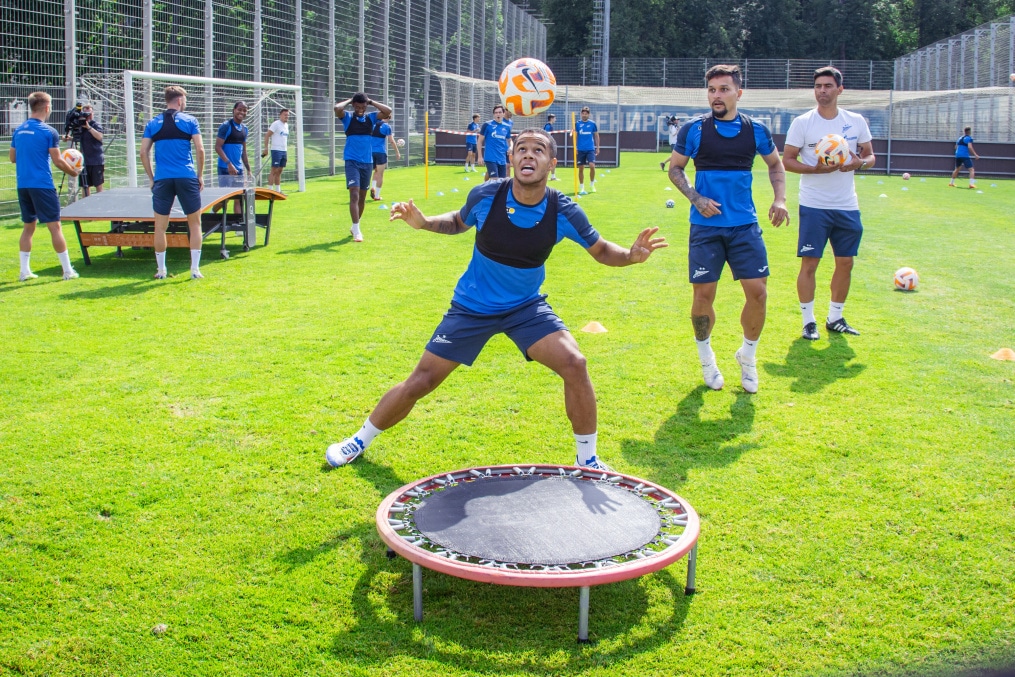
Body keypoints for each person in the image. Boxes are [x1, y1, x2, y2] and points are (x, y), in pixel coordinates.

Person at [325, 128, 667, 471]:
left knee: (574, 363)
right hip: (472, 307)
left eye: (538, 150)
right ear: (511, 158)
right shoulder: (487, 195)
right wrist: (425, 222)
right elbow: (459, 222)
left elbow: (602, 250)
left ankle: (587, 458)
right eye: (521, 149)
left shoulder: (563, 210)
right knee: (422, 380)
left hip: (525, 308)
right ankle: (359, 439)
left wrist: (631, 255)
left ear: (552, 164)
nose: (528, 155)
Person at [667, 64, 789, 394]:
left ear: (739, 92)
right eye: (712, 90)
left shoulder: (756, 130)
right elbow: (675, 169)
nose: (716, 96)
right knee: (703, 297)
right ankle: (707, 359)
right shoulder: (694, 130)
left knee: (758, 293)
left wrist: (780, 199)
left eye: (723, 89)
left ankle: (747, 358)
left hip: (744, 226)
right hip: (706, 228)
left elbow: (776, 164)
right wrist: (695, 197)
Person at [783, 66, 876, 340]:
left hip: (847, 204)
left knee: (845, 262)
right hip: (814, 205)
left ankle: (835, 317)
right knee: (810, 263)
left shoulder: (856, 121)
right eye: (818, 86)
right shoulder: (803, 123)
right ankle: (808, 321)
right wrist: (815, 170)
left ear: (839, 89)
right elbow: (787, 160)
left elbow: (870, 156)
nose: (822, 91)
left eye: (827, 86)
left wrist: (860, 164)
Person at [10, 91, 81, 281]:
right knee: (55, 227)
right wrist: (74, 172)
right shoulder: (48, 132)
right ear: (47, 108)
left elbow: (12, 158)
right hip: (42, 185)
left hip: (23, 184)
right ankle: (67, 270)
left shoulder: (18, 130)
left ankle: (24, 271)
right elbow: (58, 160)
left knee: (28, 227)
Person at [140, 85, 207, 280]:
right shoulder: (190, 121)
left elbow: (143, 152)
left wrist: (152, 178)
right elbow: (200, 149)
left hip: (162, 179)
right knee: (194, 223)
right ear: (179, 101)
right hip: (186, 177)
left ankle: (161, 270)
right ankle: (194, 269)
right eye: (184, 100)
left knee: (160, 226)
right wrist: (200, 175)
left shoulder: (153, 123)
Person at [334, 93, 392, 242]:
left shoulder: (371, 118)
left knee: (362, 198)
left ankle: (354, 227)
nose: (360, 109)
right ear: (354, 105)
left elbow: (388, 111)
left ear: (366, 106)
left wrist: (371, 101)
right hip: (351, 161)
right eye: (357, 106)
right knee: (354, 195)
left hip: (367, 162)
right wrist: (350, 100)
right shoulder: (347, 118)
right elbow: (337, 108)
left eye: (363, 106)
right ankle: (358, 230)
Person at [215, 101, 250, 215]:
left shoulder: (245, 129)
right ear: (234, 110)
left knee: (239, 197)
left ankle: (238, 226)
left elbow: (243, 152)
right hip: (225, 168)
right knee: (224, 198)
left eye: (244, 110)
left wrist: (248, 170)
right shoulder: (226, 126)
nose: (242, 112)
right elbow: (218, 147)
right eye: (239, 109)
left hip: (238, 170)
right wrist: (229, 164)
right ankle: (212, 213)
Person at [369, 114, 401, 201]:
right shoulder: (387, 126)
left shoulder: (372, 124)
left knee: (375, 171)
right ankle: (377, 196)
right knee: (380, 174)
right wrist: (397, 152)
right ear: (388, 118)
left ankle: (373, 187)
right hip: (380, 152)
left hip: (370, 152)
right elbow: (391, 141)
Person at [476, 104, 511, 180]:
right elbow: (479, 141)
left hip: (502, 159)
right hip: (490, 158)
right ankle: (487, 188)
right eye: (496, 113)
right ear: (494, 114)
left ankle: (485, 188)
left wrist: (511, 147)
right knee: (494, 180)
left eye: (499, 112)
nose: (498, 114)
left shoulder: (507, 127)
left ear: (503, 113)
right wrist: (479, 156)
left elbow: (510, 140)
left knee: (502, 182)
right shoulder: (487, 125)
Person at [78, 103, 105, 197]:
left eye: (89, 112)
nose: (88, 115)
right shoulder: (80, 126)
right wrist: (68, 138)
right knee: (85, 186)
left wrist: (88, 127)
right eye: (85, 113)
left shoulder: (96, 125)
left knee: (98, 185)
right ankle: (85, 206)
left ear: (93, 113)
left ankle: (100, 205)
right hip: (84, 161)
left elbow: (100, 137)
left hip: (96, 161)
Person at [261, 108, 290, 193]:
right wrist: (266, 148)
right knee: (274, 170)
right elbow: (267, 136)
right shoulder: (276, 124)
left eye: (288, 115)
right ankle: (270, 190)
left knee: (280, 170)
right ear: (280, 115)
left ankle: (278, 190)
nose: (286, 117)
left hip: (284, 150)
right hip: (276, 150)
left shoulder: (286, 125)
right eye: (285, 115)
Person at [575, 106, 599, 195]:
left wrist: (598, 147)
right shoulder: (577, 124)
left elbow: (596, 136)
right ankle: (582, 187)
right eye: (583, 113)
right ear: (581, 114)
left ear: (589, 114)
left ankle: (592, 185)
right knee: (581, 168)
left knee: (592, 165)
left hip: (590, 148)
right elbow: (575, 136)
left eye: (586, 114)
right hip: (580, 149)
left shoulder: (592, 124)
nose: (584, 115)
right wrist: (575, 147)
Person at [544, 113, 559, 181]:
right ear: (551, 119)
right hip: (548, 146)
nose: (555, 119)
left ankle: (553, 176)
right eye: (554, 118)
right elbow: (546, 135)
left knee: (552, 160)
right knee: (552, 160)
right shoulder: (548, 126)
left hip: (549, 145)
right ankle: (550, 176)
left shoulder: (549, 126)